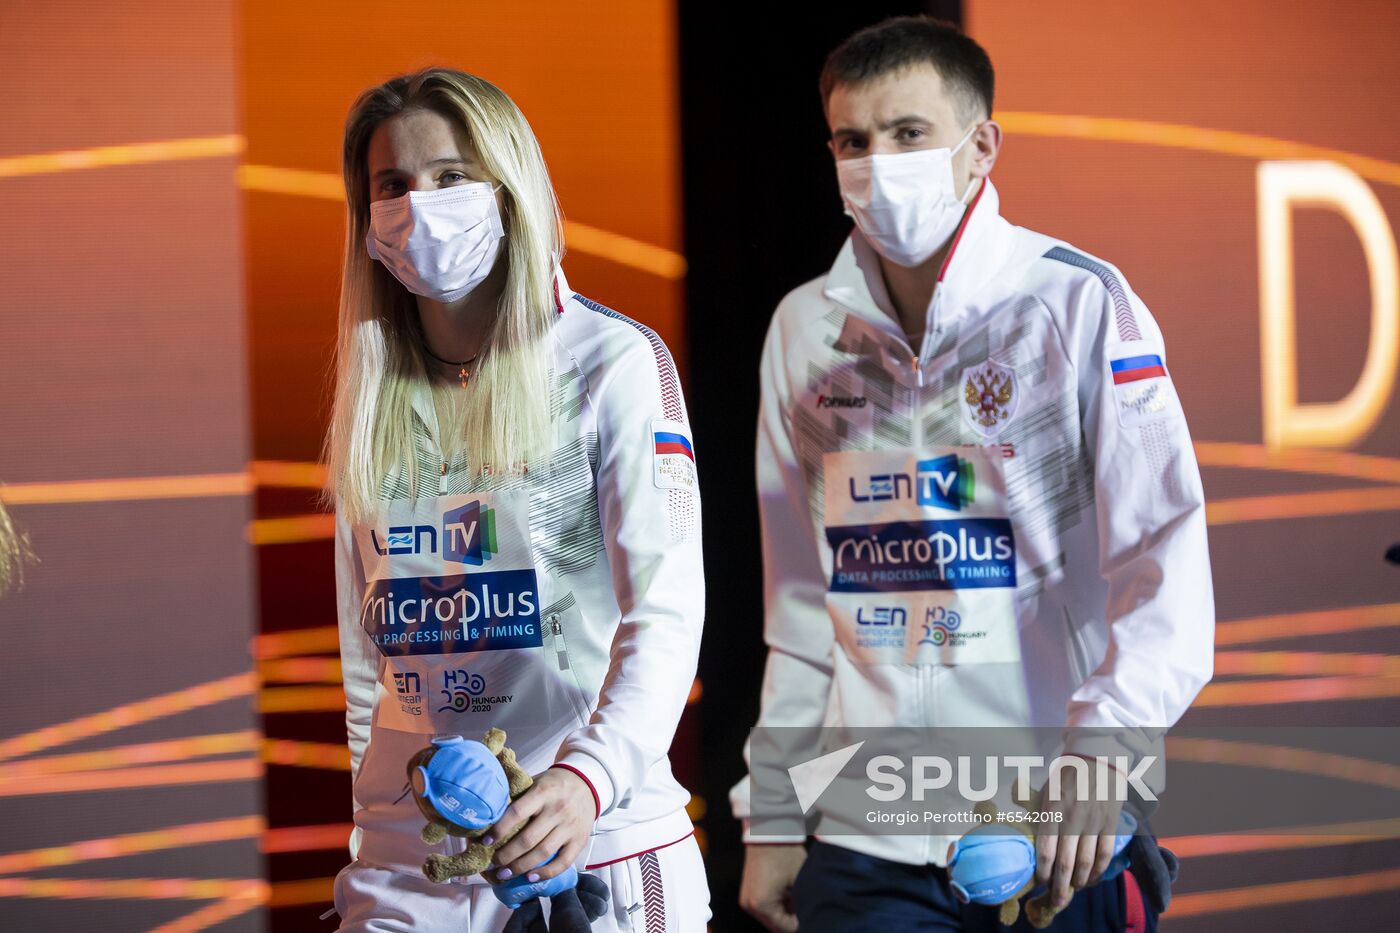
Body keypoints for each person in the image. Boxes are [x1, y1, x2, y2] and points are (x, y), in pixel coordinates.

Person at [732, 17, 1212, 932]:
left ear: (979, 146)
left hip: (1052, 826)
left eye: (908, 134)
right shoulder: (802, 331)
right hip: (865, 837)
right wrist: (774, 812)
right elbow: (801, 603)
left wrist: (1101, 755)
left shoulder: (1074, 302)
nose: (877, 164)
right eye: (852, 141)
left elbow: (1165, 564)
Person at [325, 68, 709, 931]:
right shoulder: (373, 388)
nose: (421, 206)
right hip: (410, 864)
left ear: (512, 187)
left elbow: (668, 609)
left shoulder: (611, 362)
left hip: (591, 843)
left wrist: (587, 779)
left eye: (452, 176)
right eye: (394, 185)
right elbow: (365, 648)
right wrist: (382, 811)